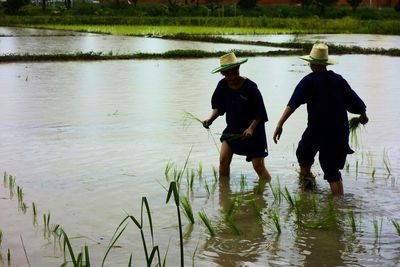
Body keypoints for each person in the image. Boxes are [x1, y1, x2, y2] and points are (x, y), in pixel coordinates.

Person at [273, 43, 368, 196]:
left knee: (304, 154)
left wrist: (280, 124)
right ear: (325, 63)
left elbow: (293, 104)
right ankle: (339, 207)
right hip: (339, 131)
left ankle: (306, 191)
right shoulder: (338, 80)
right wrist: (363, 115)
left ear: (311, 63)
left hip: (317, 129)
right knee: (331, 169)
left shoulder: (309, 81)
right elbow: (356, 103)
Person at [203, 52, 271, 182]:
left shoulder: (250, 87)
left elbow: (260, 111)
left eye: (234, 72)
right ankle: (224, 193)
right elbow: (218, 107)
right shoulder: (222, 86)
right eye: (228, 74)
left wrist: (251, 128)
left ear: (238, 69)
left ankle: (267, 192)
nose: (232, 76)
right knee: (223, 161)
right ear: (223, 74)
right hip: (233, 129)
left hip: (254, 130)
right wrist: (210, 120)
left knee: (258, 166)